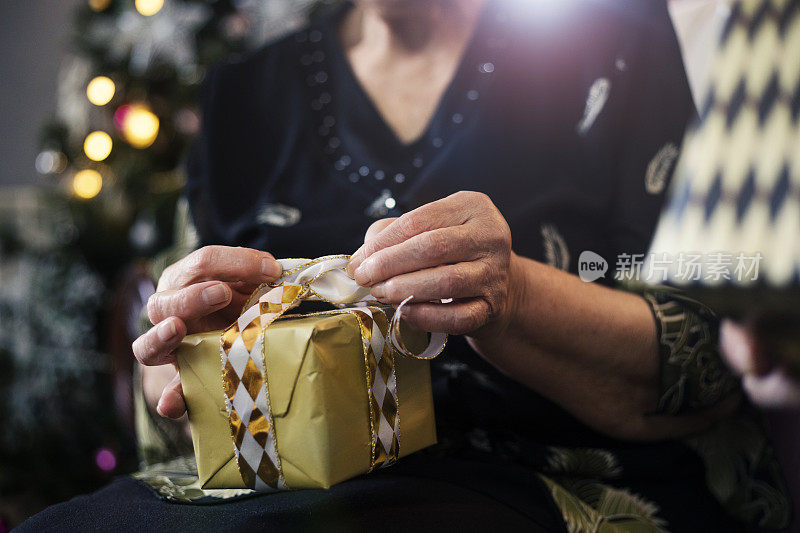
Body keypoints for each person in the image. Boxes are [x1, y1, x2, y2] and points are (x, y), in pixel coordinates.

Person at [19, 0, 790, 530]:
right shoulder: (244, 98)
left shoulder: (612, 41)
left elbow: (717, 357)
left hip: (549, 478)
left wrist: (513, 295)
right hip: (265, 489)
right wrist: (186, 356)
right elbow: (167, 409)